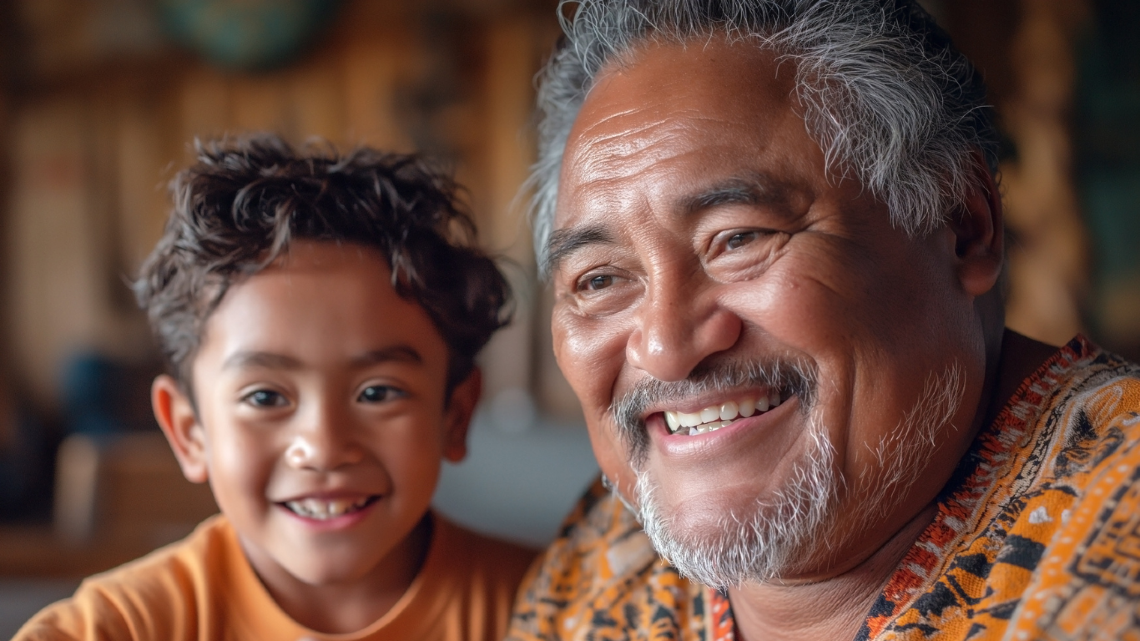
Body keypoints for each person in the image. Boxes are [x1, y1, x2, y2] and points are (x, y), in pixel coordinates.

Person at [507, 1, 1140, 639]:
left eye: (738, 239)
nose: (666, 348)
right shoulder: (602, 565)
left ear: (962, 225)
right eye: (601, 280)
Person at [17, 135, 535, 640]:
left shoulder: (556, 607)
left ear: (456, 415)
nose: (324, 449)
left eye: (378, 392)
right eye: (265, 397)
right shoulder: (111, 629)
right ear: (189, 431)